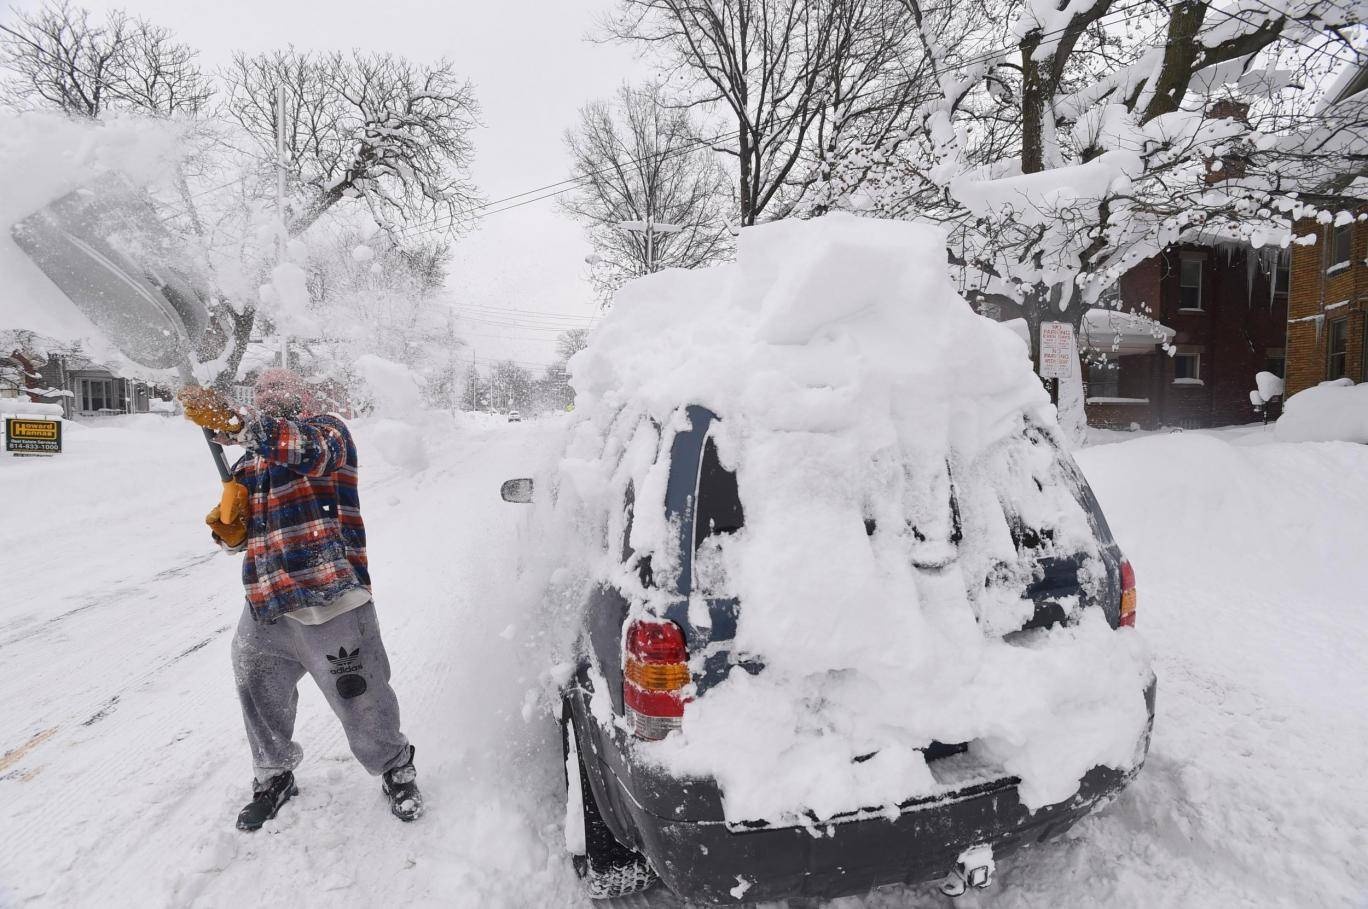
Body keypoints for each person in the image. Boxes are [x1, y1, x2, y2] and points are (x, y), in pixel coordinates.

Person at [178, 370, 423, 831]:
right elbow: (245, 535)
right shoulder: (251, 461)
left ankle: (396, 767)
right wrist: (228, 531)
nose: (270, 395)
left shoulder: (327, 434)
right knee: (257, 691)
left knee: (361, 698)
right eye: (263, 390)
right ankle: (273, 776)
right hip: (266, 604)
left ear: (303, 395)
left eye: (280, 387)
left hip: (330, 600)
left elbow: (304, 450)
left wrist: (239, 426)